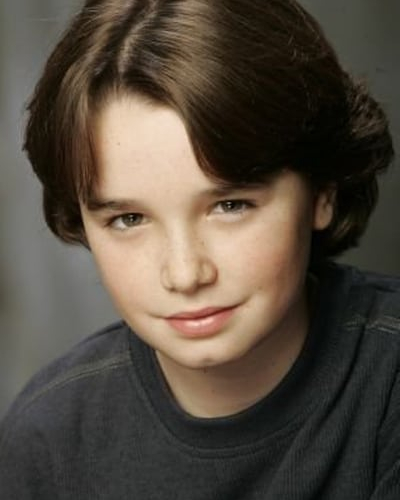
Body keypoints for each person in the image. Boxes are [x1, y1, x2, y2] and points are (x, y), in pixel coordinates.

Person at [0, 0, 398, 498]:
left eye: (230, 206)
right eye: (129, 219)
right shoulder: (48, 438)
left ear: (322, 192)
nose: (186, 274)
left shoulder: (387, 382)